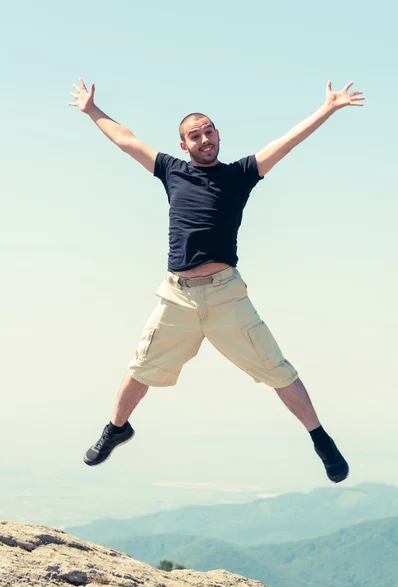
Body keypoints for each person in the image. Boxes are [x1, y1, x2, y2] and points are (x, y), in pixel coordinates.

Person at [69, 77, 365, 482]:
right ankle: (117, 428)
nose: (205, 138)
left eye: (209, 131)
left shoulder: (242, 173)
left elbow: (288, 141)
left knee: (277, 369)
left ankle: (320, 439)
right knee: (140, 367)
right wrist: (91, 110)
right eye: (195, 135)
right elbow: (126, 139)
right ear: (184, 145)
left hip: (227, 296)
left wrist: (327, 109)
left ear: (218, 134)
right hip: (178, 298)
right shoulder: (171, 171)